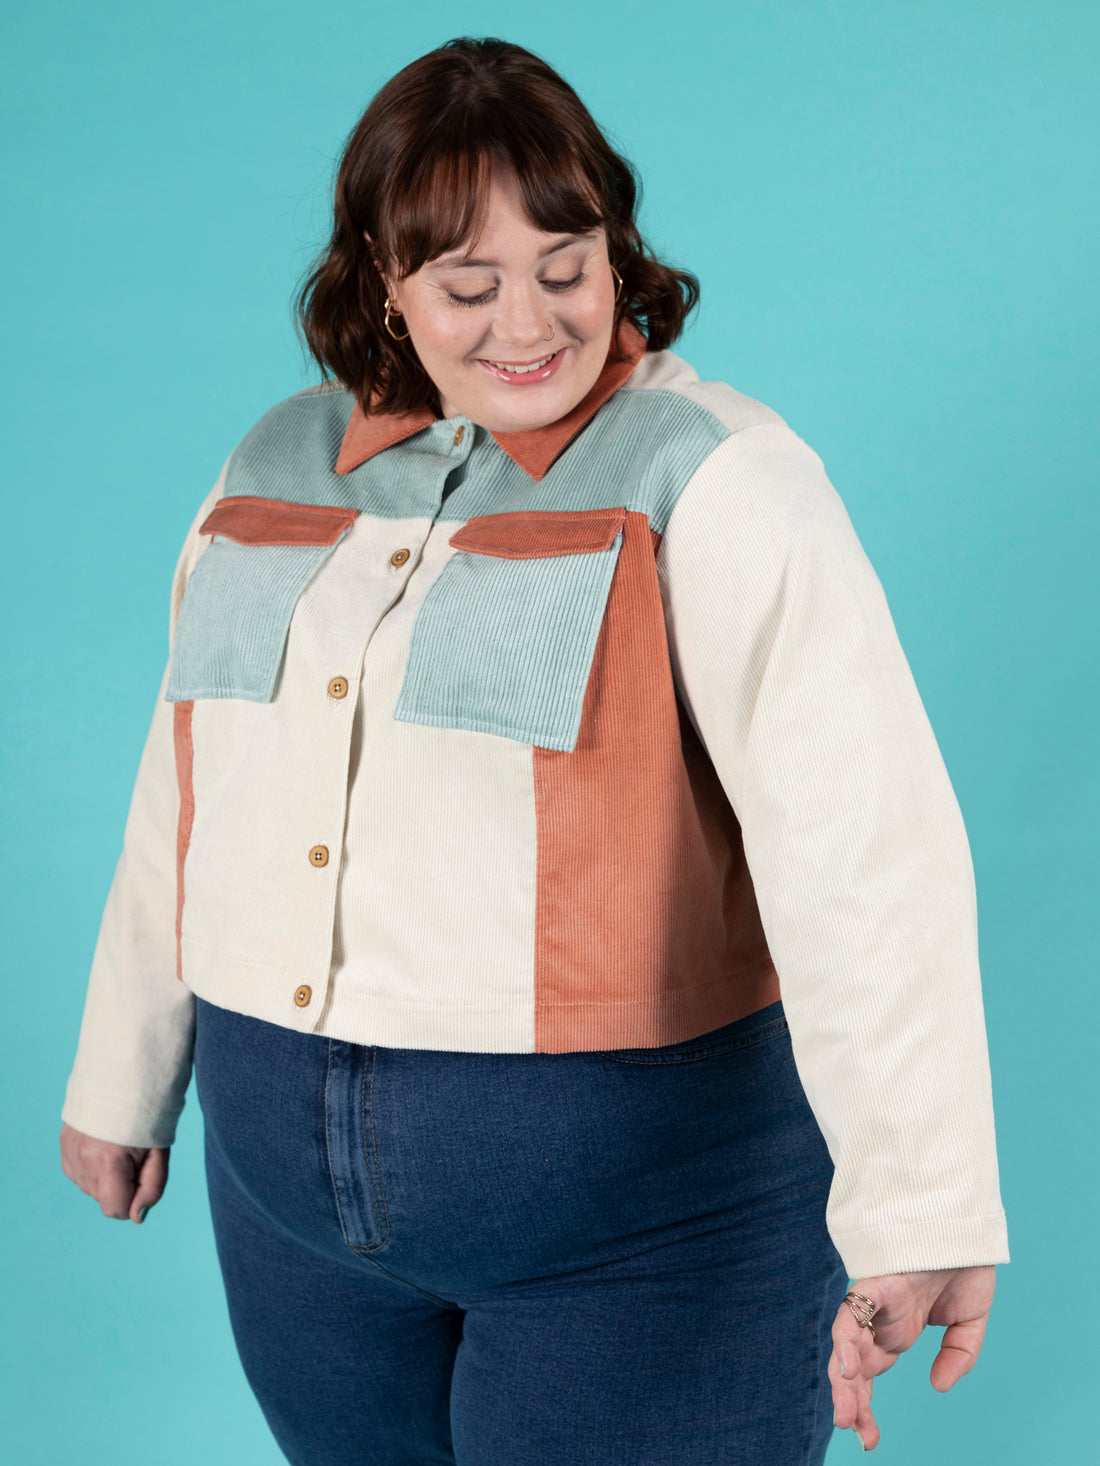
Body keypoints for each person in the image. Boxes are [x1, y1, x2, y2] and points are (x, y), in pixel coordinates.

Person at [59, 35, 1009, 1466]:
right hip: (288, 1225)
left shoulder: (717, 475)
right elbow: (186, 784)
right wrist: (120, 1075)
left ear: (616, 252)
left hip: (649, 1224)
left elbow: (861, 846)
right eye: (469, 285)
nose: (528, 324)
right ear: (383, 277)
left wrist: (921, 1205)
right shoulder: (269, 468)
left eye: (566, 269)